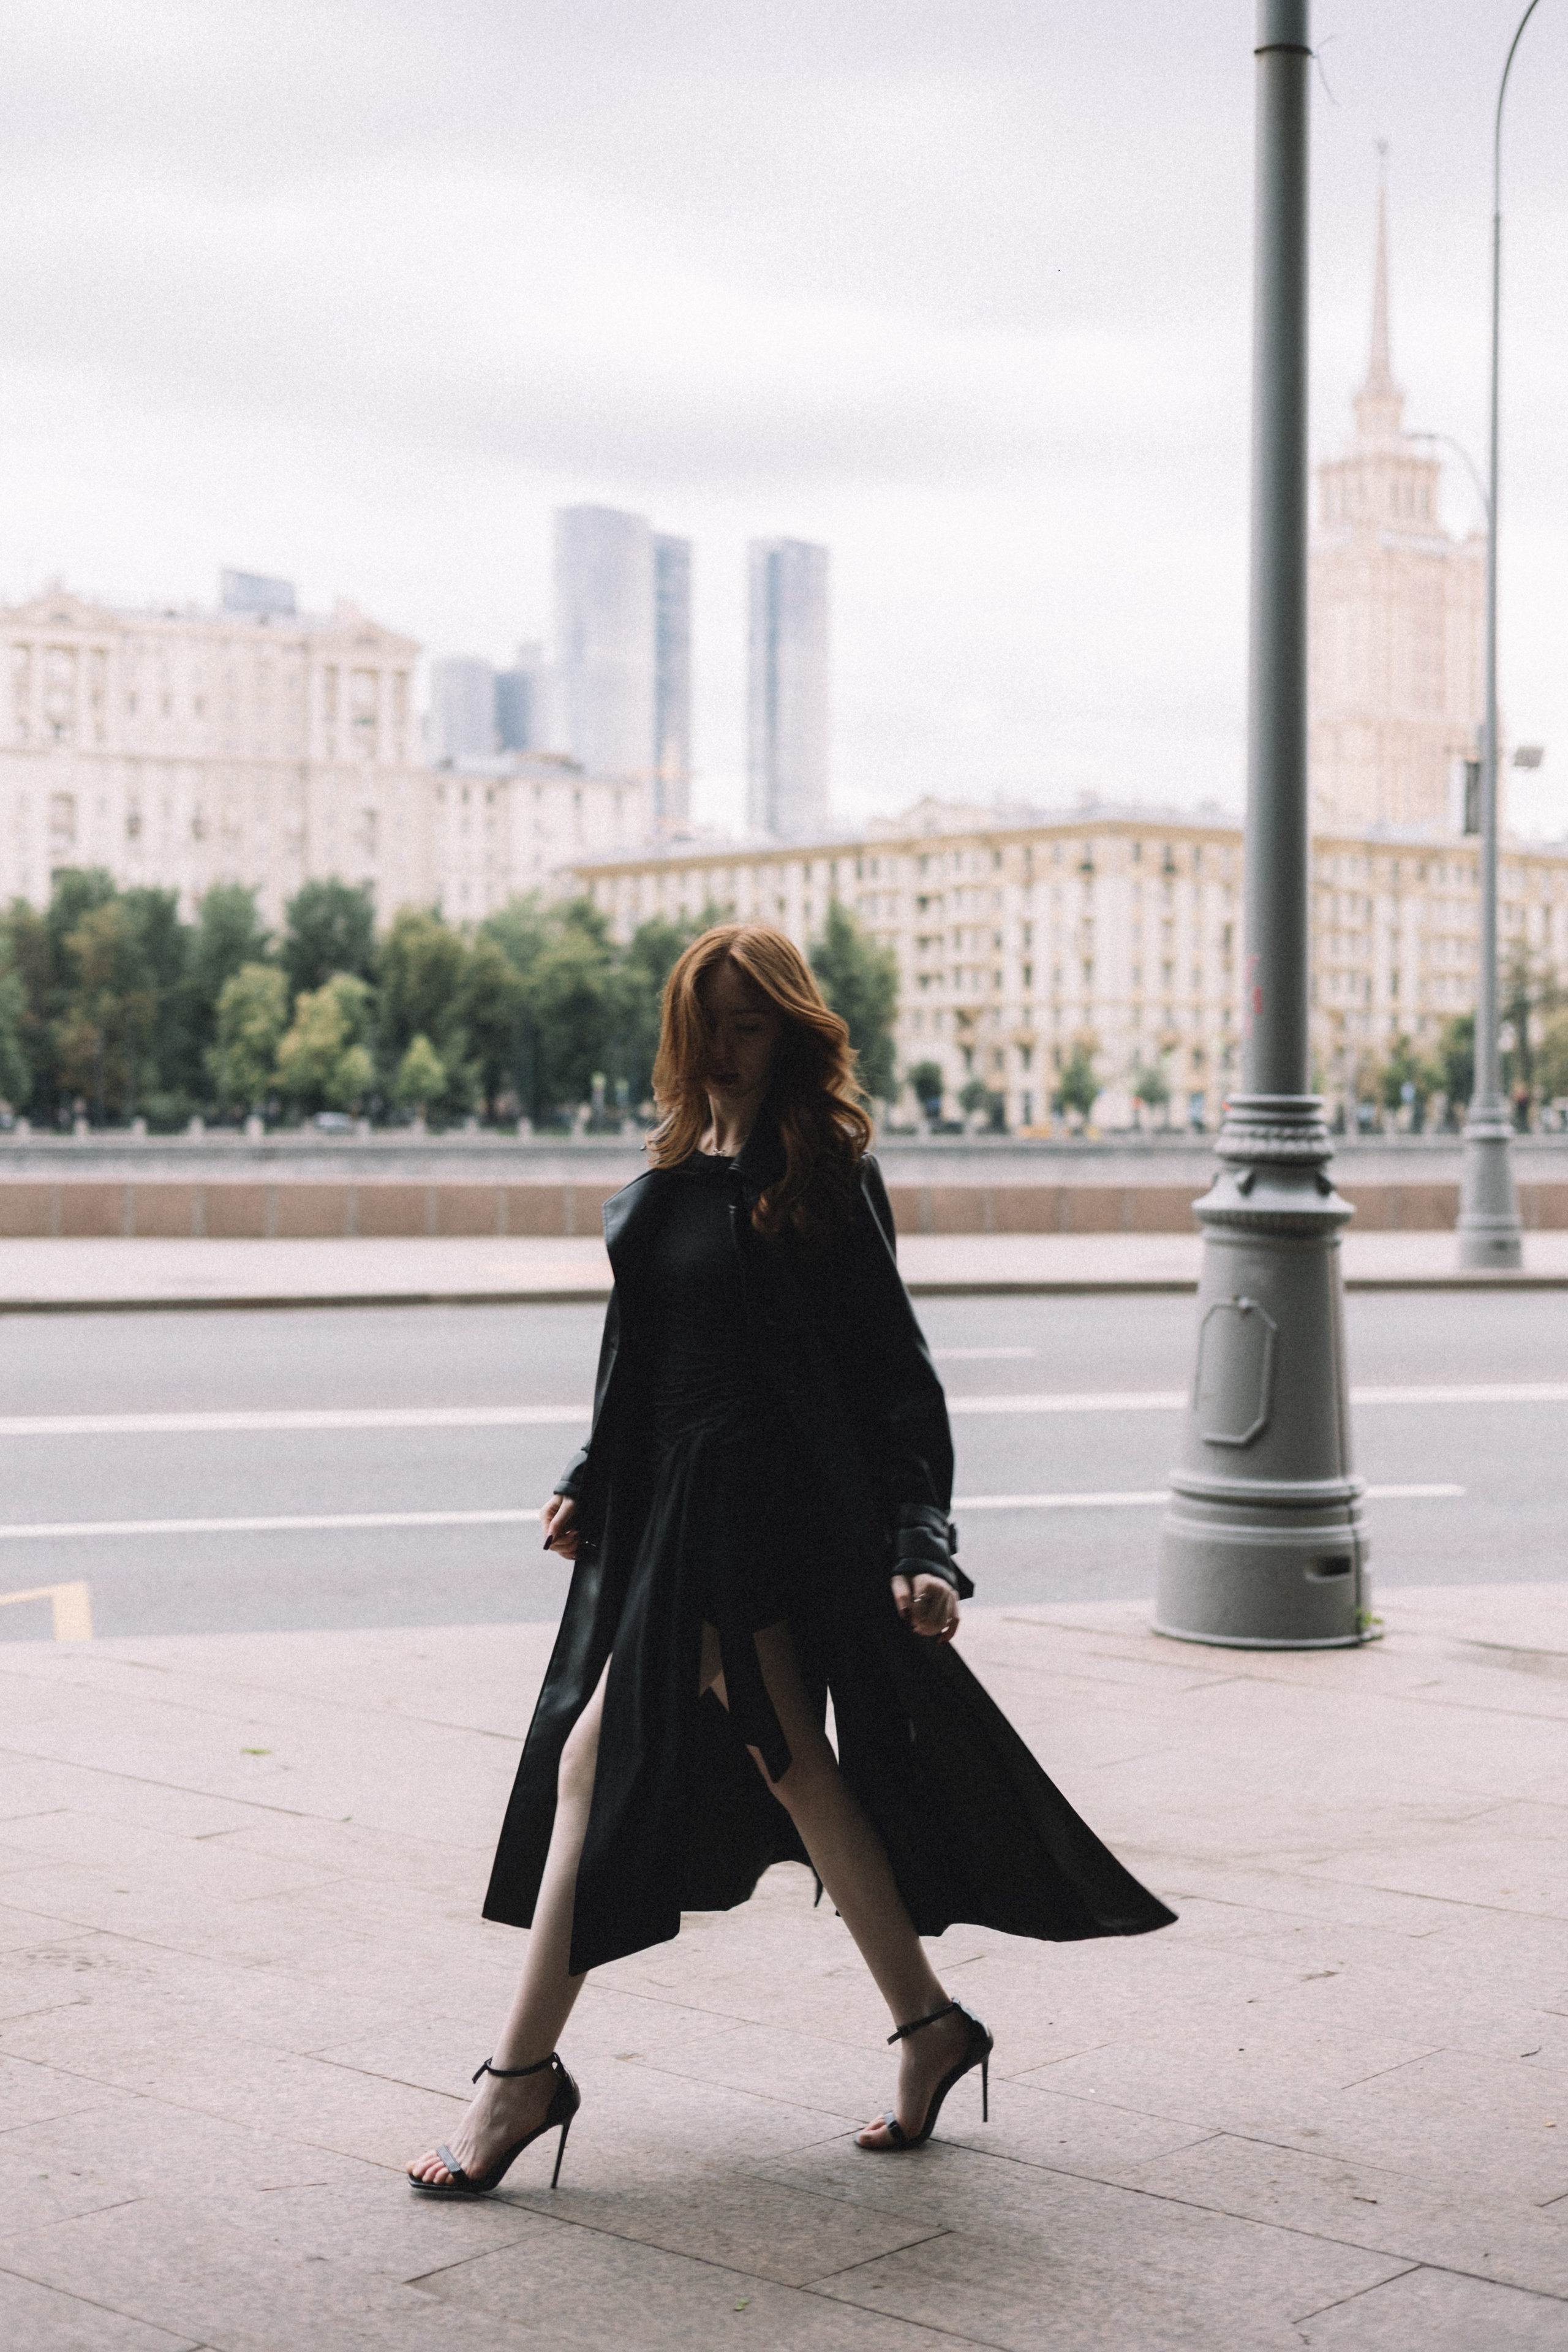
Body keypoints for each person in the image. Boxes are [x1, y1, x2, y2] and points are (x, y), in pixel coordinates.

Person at [407, 924, 1173, 2197]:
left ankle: (518, 2082)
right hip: (670, 1507)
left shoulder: (818, 1168)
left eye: (746, 1021)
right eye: (703, 1019)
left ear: (790, 1031)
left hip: (752, 1515)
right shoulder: (677, 1158)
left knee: (605, 1753)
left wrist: (920, 1540)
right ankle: (931, 2029)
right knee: (795, 1772)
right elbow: (640, 1361)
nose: (720, 1045)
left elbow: (894, 1374)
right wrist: (587, 1482)